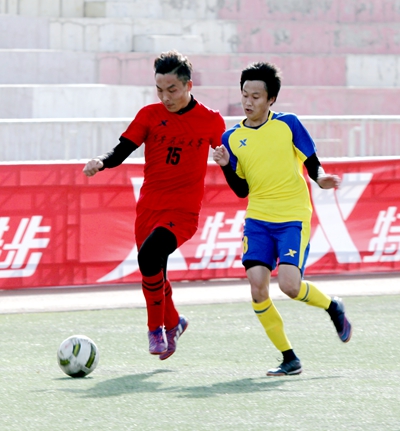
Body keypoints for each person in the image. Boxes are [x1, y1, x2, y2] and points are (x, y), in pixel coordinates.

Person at [83, 50, 226, 360]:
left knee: (149, 256)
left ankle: (155, 329)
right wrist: (101, 161)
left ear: (189, 85)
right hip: (148, 208)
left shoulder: (211, 120)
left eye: (172, 89)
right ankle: (175, 323)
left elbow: (230, 159)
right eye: (159, 90)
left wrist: (232, 164)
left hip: (183, 211)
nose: (165, 97)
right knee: (154, 269)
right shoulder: (149, 115)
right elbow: (122, 150)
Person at [213, 62, 352, 376]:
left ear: (271, 99)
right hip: (258, 219)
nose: (248, 102)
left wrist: (320, 178)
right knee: (257, 288)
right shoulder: (231, 137)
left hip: (292, 217)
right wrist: (224, 165)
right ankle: (289, 358)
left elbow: (312, 162)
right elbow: (242, 189)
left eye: (256, 96)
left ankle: (332, 306)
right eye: (244, 95)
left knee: (290, 286)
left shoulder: (288, 124)